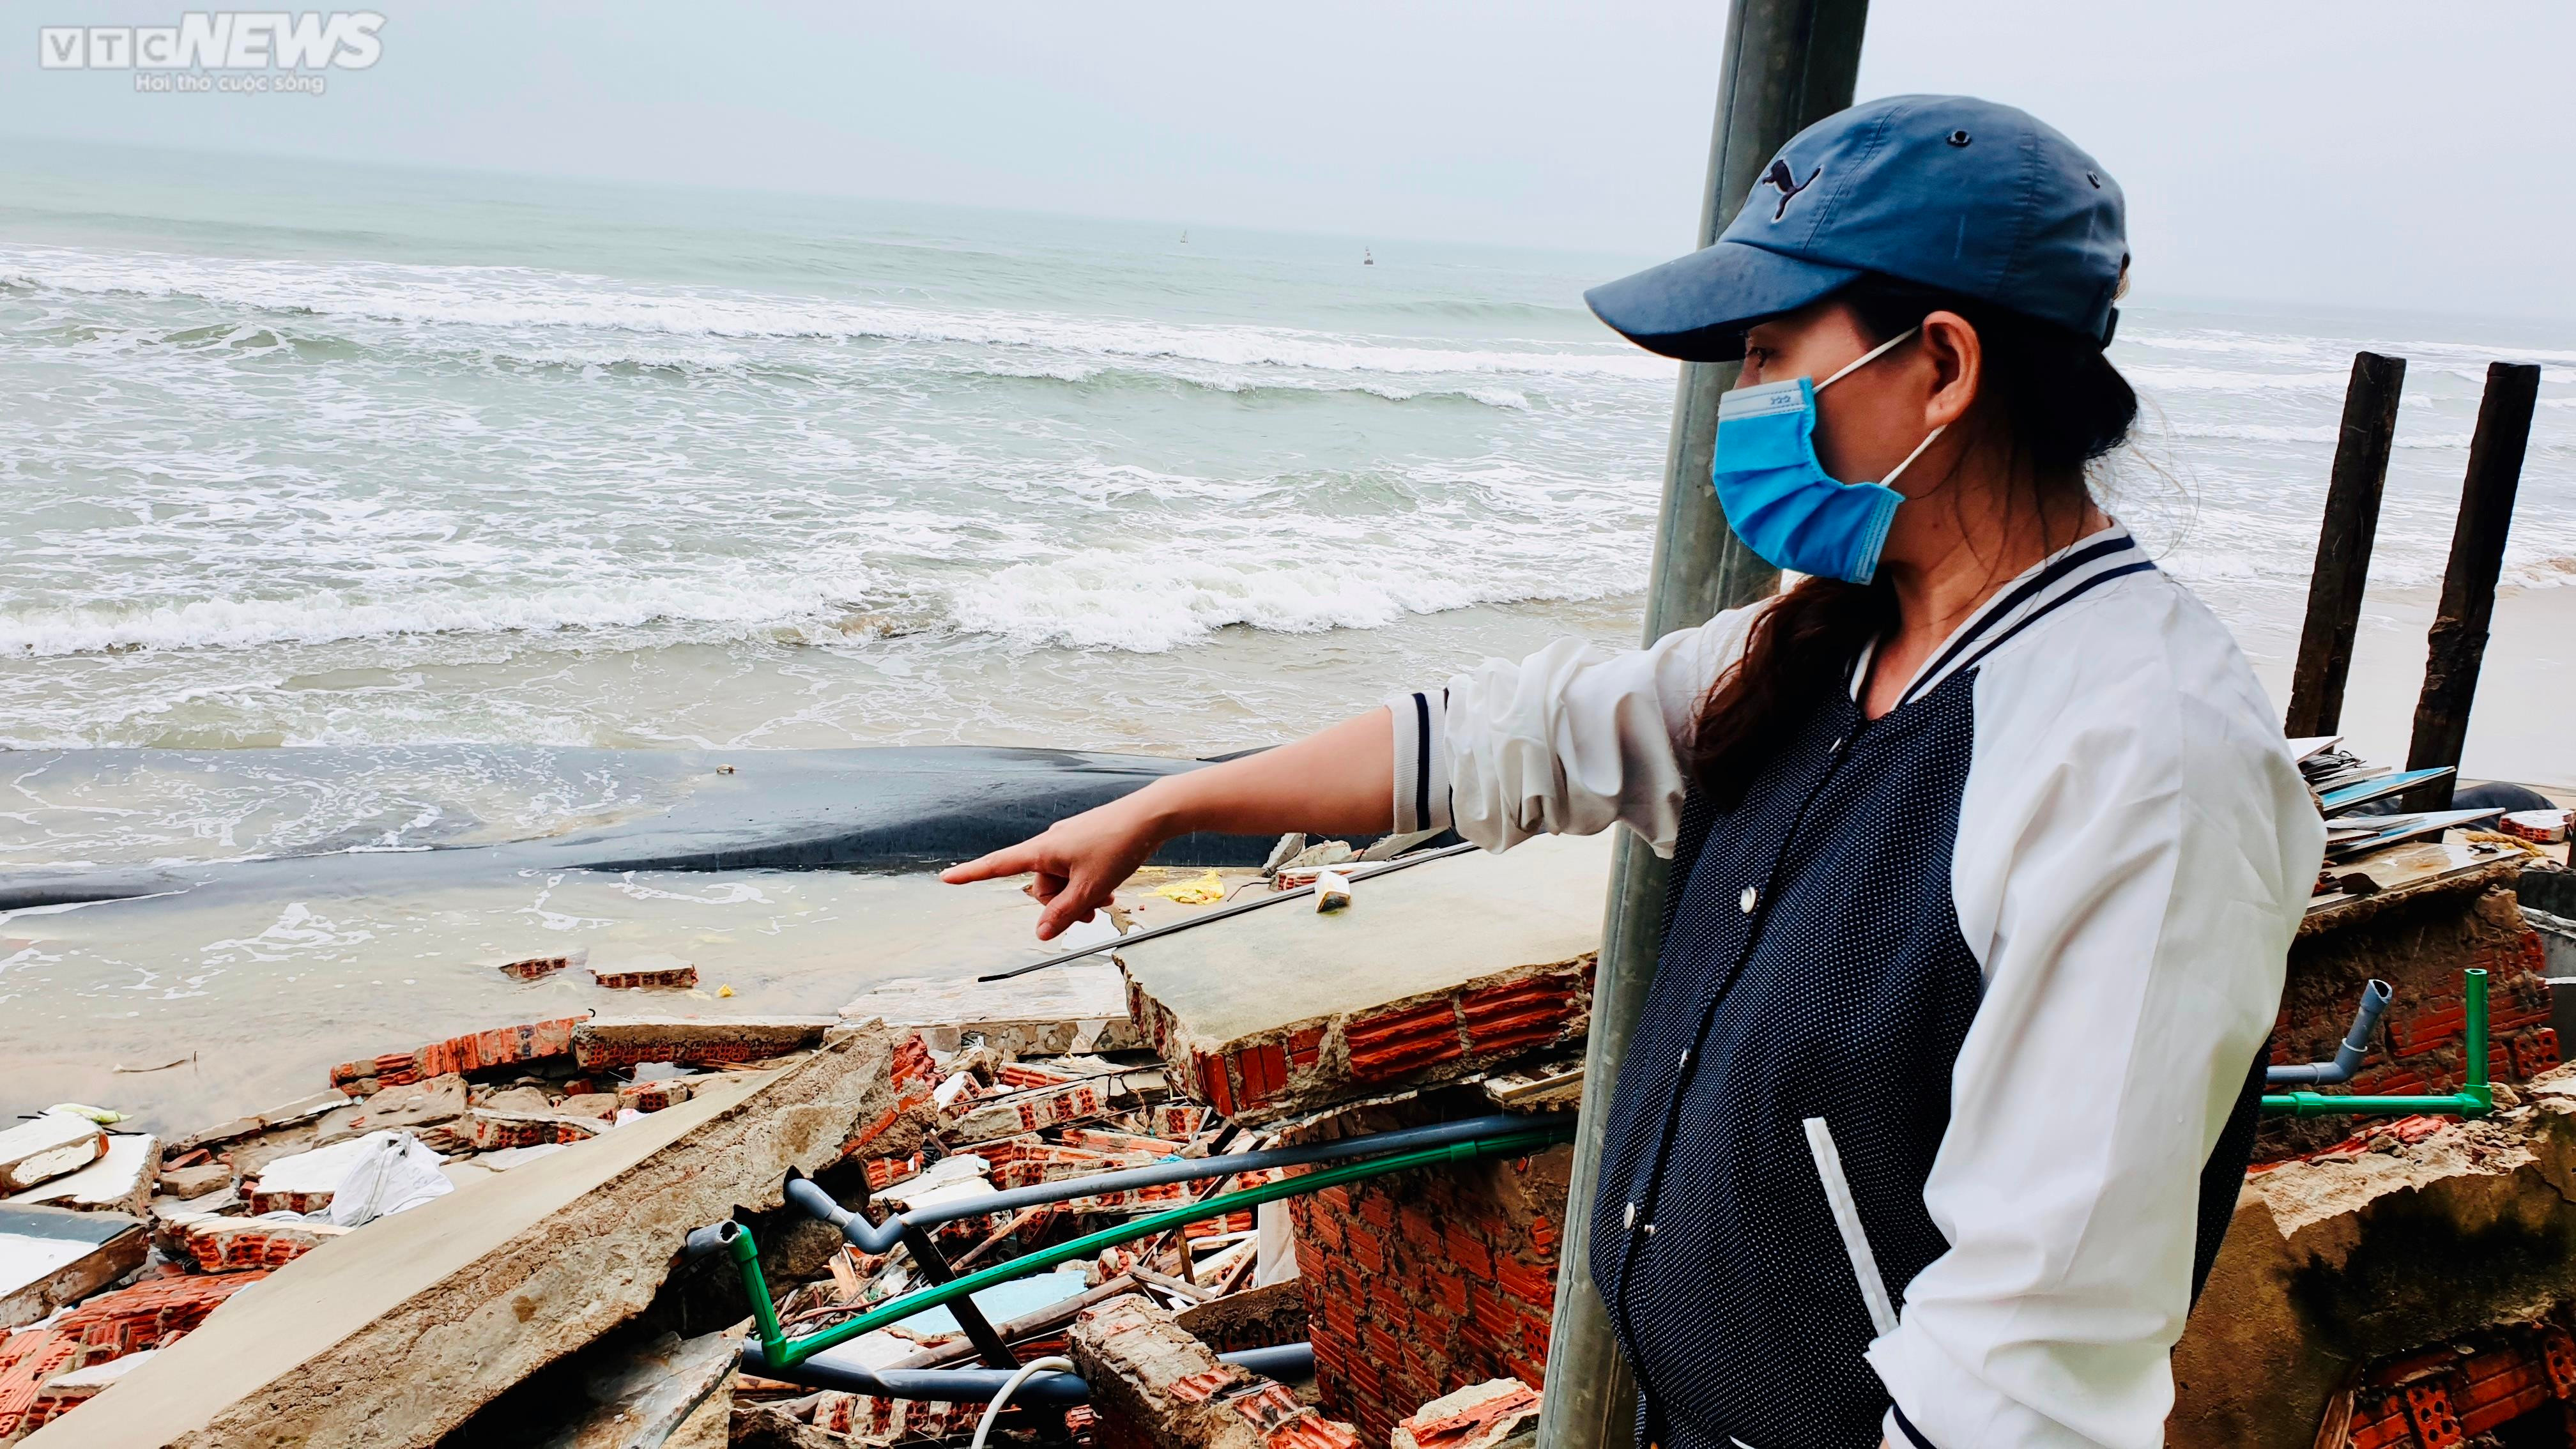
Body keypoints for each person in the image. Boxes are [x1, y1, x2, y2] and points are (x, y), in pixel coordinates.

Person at [946, 95, 2326, 1449]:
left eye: (1776, 355)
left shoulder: (2144, 760)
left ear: (1945, 367)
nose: (1744, 403)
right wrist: (1175, 805)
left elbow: (2030, 1375)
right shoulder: (1844, 634)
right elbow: (1520, 732)